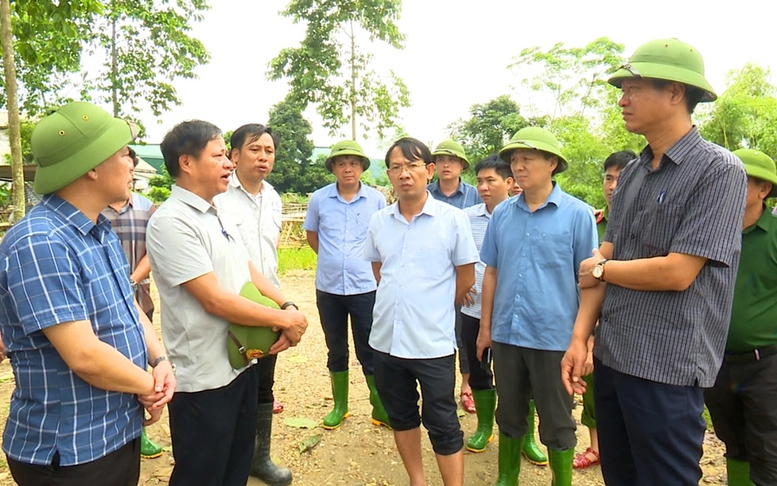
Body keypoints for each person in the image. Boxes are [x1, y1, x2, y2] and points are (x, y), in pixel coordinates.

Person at [561, 38, 747, 486]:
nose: (622, 100)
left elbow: (678, 271)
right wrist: (580, 337)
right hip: (614, 358)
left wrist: (602, 268)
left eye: (633, 88)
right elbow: (605, 255)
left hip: (667, 367)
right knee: (620, 476)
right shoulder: (635, 175)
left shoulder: (718, 171)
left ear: (675, 93)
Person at [0, 101, 175, 485]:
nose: (131, 164)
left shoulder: (98, 230)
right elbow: (83, 354)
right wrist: (149, 385)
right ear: (91, 166)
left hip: (114, 431)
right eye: (123, 154)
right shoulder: (40, 241)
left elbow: (128, 305)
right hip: (70, 451)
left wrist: (159, 360)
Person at [146, 120, 308, 486]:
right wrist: (282, 321)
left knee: (236, 466)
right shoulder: (172, 221)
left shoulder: (218, 211)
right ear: (187, 162)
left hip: (240, 364)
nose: (229, 163)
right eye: (219, 155)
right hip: (204, 378)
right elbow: (215, 300)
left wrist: (288, 306)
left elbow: (249, 269)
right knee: (202, 473)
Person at [476, 127, 597, 486]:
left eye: (527, 158)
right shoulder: (502, 215)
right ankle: (507, 478)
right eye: (514, 159)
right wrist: (486, 328)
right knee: (509, 412)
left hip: (555, 338)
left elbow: (589, 281)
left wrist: (586, 340)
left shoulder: (577, 215)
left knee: (558, 419)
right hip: (509, 334)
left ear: (552, 163)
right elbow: (493, 272)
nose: (518, 165)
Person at [365, 137, 478, 486]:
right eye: (396, 167)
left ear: (428, 171)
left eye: (412, 166)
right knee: (401, 416)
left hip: (432, 343)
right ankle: (418, 480)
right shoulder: (380, 221)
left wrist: (432, 306)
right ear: (388, 174)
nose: (404, 174)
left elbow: (466, 277)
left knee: (443, 421)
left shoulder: (453, 220)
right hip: (386, 339)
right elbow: (379, 270)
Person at [215, 123, 291, 485]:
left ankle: (259, 457)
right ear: (234, 154)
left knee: (263, 383)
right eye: (254, 149)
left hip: (269, 304)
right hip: (230, 306)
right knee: (229, 380)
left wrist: (281, 305)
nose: (263, 157)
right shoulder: (218, 198)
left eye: (269, 151)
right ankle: (230, 459)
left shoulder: (273, 197)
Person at [303, 140, 389, 430]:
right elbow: (312, 235)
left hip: (365, 287)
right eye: (341, 163)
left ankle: (380, 406)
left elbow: (382, 239)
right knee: (335, 347)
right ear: (333, 168)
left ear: (363, 167)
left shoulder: (376, 200)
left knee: (369, 347)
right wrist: (332, 259)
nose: (347, 168)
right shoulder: (319, 199)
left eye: (353, 163)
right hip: (328, 288)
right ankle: (340, 405)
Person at [705, 149, 777, 486]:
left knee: (768, 447)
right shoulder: (710, 231)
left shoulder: (774, 235)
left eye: (740, 180)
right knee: (732, 443)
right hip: (716, 360)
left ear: (763, 190)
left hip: (767, 365)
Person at [573, 149, 635, 470]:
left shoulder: (640, 224)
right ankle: (597, 445)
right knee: (593, 388)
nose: (612, 185)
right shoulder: (593, 221)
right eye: (609, 178)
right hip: (592, 316)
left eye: (620, 179)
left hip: (627, 322)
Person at [101, 146, 164, 460]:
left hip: (138, 298)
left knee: (138, 358)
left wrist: (130, 281)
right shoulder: (95, 211)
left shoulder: (146, 208)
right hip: (101, 304)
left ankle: (137, 431)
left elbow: (153, 251)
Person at [460, 155, 513, 454]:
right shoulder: (466, 218)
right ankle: (483, 427)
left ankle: (525, 435)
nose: (483, 186)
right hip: (473, 308)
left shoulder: (520, 216)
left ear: (509, 182)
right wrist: (462, 283)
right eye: (479, 181)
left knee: (517, 377)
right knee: (478, 370)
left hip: (509, 313)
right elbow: (454, 255)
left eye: (490, 180)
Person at [427, 138, 481, 413]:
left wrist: (471, 277)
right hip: (432, 274)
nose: (447, 165)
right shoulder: (424, 193)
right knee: (436, 329)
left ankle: (466, 386)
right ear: (433, 167)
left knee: (465, 333)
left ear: (461, 165)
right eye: (442, 160)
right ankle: (436, 387)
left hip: (465, 274)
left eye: (453, 160)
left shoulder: (475, 194)